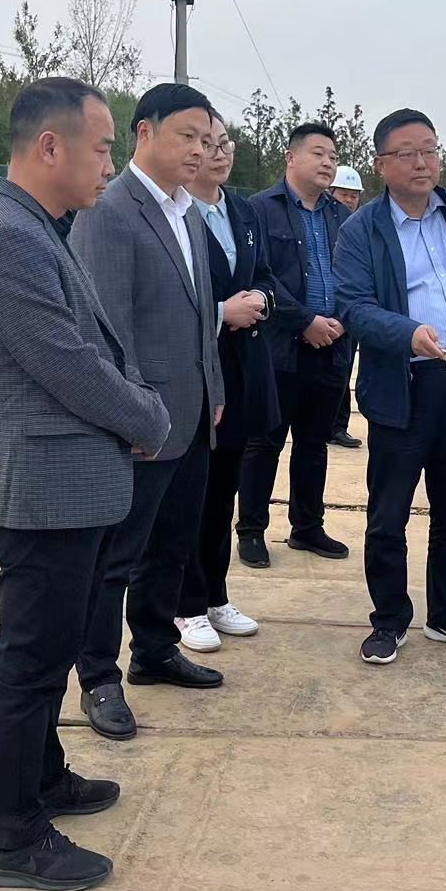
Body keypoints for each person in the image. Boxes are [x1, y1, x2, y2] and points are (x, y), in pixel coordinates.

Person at [0, 76, 171, 891]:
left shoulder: (40, 228)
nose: (109, 163)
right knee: (32, 663)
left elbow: (94, 345)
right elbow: (68, 365)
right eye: (103, 147)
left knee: (46, 651)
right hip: (43, 494)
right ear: (51, 146)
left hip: (69, 487)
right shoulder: (6, 240)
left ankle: (42, 779)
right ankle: (13, 839)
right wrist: (146, 418)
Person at [69, 82, 227, 743]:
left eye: (206, 139)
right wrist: (132, 414)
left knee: (173, 543)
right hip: (142, 421)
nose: (199, 150)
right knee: (115, 557)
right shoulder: (111, 212)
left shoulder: (190, 213)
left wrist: (214, 389)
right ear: (144, 133)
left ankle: (155, 649)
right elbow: (106, 329)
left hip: (192, 414)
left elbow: (202, 315)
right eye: (187, 136)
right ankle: (98, 677)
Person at [334, 107, 446, 666]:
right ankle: (389, 619)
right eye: (408, 153)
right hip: (405, 387)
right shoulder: (362, 230)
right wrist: (407, 333)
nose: (422, 163)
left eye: (430, 151)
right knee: (388, 514)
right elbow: (353, 306)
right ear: (381, 164)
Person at [174, 111, 279, 653]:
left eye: (224, 143)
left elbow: (264, 275)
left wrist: (261, 298)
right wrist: (220, 312)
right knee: (191, 496)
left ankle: (215, 594)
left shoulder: (243, 210)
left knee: (222, 493)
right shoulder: (176, 214)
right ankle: (185, 605)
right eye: (206, 143)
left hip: (242, 371)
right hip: (195, 369)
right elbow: (170, 298)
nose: (217, 154)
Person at [236, 122, 353, 567]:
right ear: (291, 157)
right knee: (264, 442)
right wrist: (304, 321)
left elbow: (353, 276)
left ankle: (307, 527)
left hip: (332, 346)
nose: (327, 163)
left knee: (314, 443)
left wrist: (338, 323)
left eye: (333, 156)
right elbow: (258, 276)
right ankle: (251, 530)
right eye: (318, 153)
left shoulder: (341, 216)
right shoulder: (259, 210)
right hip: (279, 348)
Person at [328, 164, 365, 450]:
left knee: (343, 370)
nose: (350, 200)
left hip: (349, 314)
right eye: (344, 194)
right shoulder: (324, 223)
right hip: (323, 313)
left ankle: (338, 426)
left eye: (354, 196)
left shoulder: (361, 228)